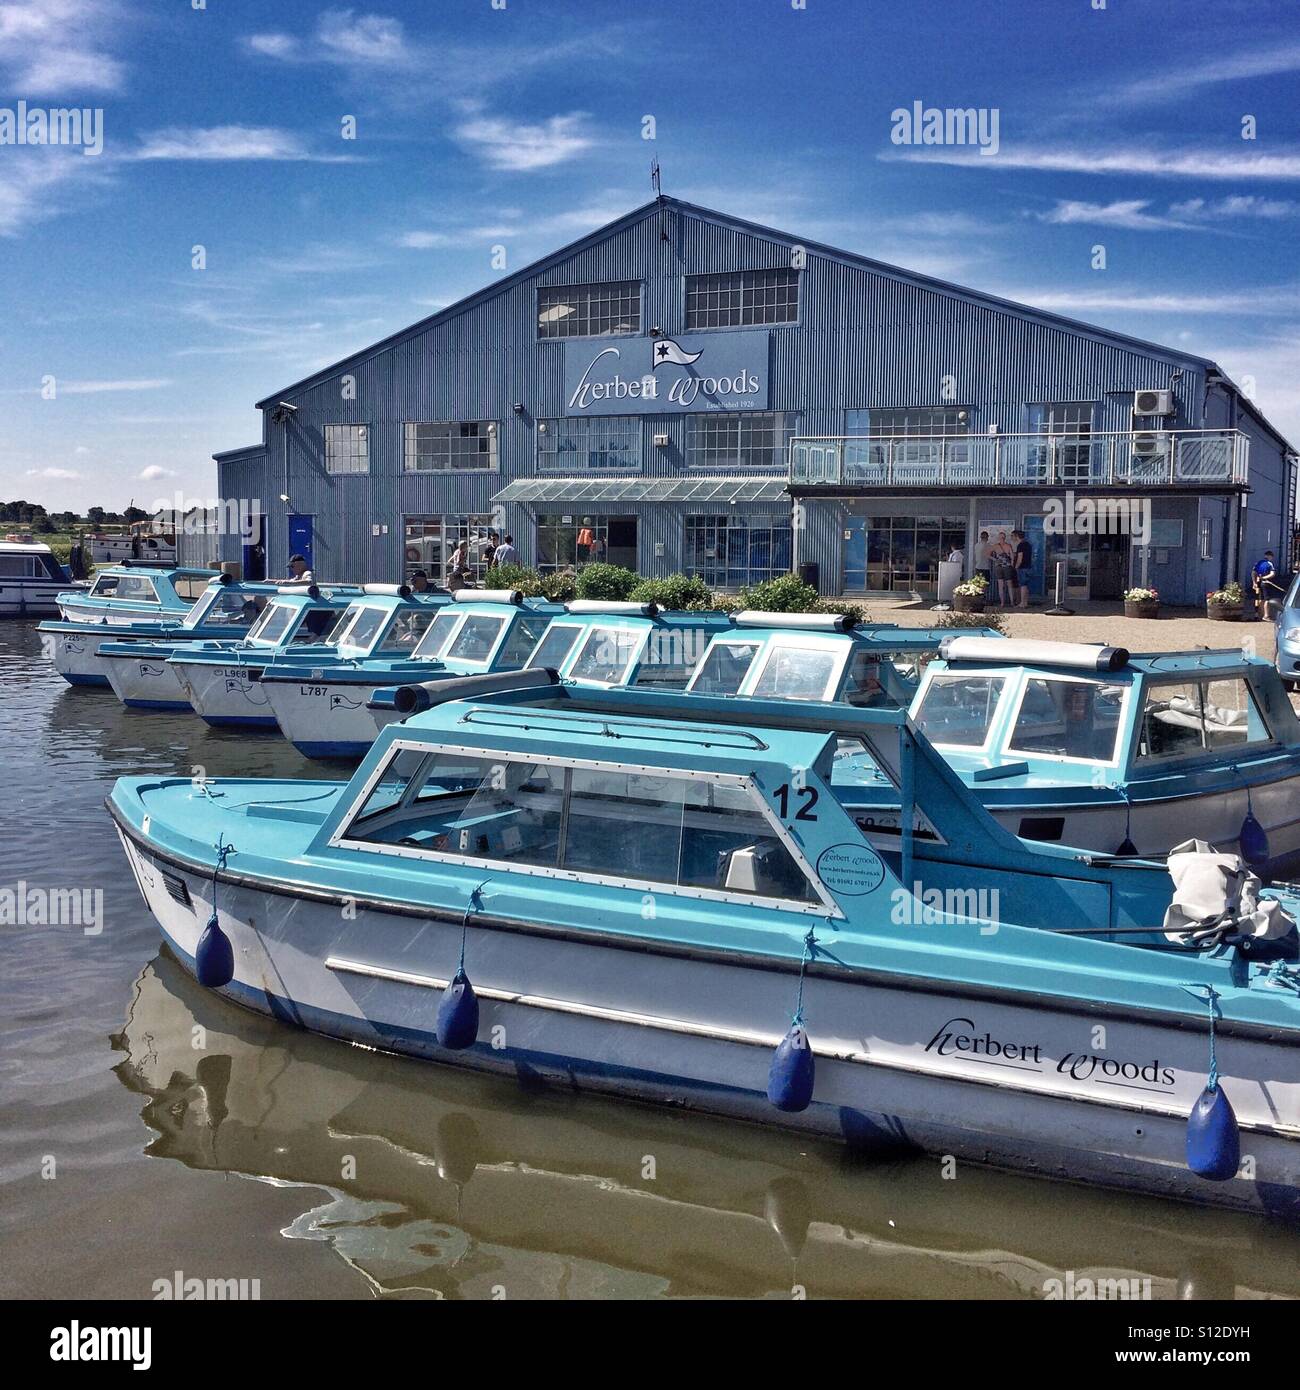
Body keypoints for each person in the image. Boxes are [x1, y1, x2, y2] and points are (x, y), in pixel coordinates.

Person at [1253, 550, 1283, 620]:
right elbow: (1272, 574)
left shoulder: (1258, 563)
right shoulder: (1269, 564)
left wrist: (1254, 582)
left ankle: (1259, 614)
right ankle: (1266, 615)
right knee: (1267, 599)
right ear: (1270, 556)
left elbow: (1253, 572)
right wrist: (1263, 578)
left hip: (1258, 583)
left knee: (1260, 598)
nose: (1271, 558)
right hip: (1266, 583)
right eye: (1271, 557)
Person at [990, 532, 1015, 606]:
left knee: (1001, 585)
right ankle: (1012, 602)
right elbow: (1012, 557)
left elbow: (987, 554)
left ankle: (1002, 603)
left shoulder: (995, 546)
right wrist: (1012, 566)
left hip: (998, 566)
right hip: (1007, 566)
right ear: (1005, 538)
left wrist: (995, 559)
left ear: (998, 538)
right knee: (1009, 585)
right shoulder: (1008, 546)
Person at [1011, 529, 1033, 609]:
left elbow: (1020, 558)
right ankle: (1025, 602)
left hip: (1022, 567)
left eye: (1013, 536)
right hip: (1028, 566)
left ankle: (1022, 603)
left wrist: (1016, 567)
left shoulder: (1020, 545)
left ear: (1017, 536)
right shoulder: (1028, 544)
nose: (1012, 538)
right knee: (1026, 585)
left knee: (1022, 585)